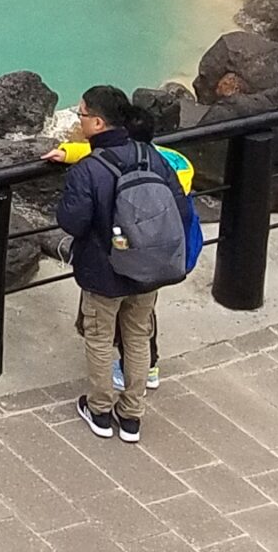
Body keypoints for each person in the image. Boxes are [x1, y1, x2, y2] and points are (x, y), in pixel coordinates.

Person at [52, 86, 199, 445]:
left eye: (83, 114)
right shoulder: (151, 156)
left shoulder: (89, 170)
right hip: (149, 267)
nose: (79, 119)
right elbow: (179, 209)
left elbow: (72, 222)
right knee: (137, 335)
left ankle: (99, 409)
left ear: (99, 122)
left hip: (105, 271)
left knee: (100, 338)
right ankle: (131, 416)